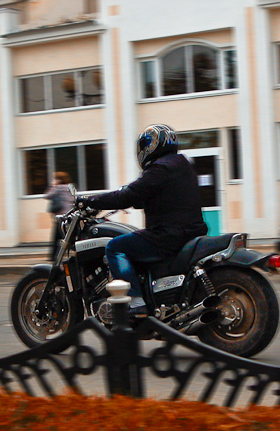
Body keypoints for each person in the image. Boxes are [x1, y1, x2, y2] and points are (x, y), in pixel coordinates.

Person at [79, 124, 207, 315]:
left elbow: (129, 195)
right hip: (189, 232)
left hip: (167, 236)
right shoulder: (182, 164)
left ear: (152, 145)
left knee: (115, 247)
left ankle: (135, 301)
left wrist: (90, 201)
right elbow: (154, 195)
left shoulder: (159, 168)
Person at [44, 171, 76, 260]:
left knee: (57, 237)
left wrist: (53, 185)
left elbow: (47, 196)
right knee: (69, 236)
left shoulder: (57, 188)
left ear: (58, 179)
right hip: (70, 215)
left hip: (60, 216)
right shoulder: (70, 187)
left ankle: (54, 257)